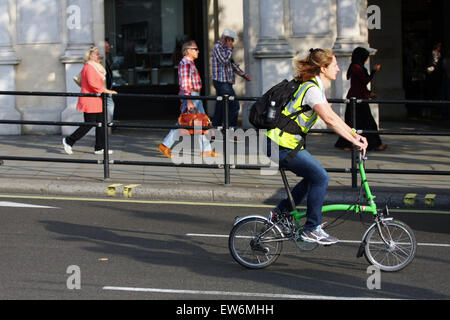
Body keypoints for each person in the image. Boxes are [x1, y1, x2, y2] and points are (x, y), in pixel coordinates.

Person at [267, 48, 368, 245]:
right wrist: (354, 141)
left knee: (312, 177)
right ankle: (311, 228)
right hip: (279, 145)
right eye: (335, 65)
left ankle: (280, 212)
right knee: (321, 177)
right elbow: (329, 119)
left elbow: (335, 118)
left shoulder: (315, 87)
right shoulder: (312, 90)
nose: (339, 70)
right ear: (323, 68)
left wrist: (355, 134)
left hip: (285, 144)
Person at [158, 40, 219, 158]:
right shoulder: (185, 63)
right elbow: (185, 83)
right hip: (191, 96)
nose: (198, 51)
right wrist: (189, 99)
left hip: (194, 96)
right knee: (184, 122)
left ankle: (206, 150)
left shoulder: (189, 63)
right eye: (195, 49)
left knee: (201, 122)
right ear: (188, 51)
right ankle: (165, 145)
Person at [62, 46, 117, 155]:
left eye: (98, 53)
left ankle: (99, 148)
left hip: (97, 100)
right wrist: (106, 90)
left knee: (101, 124)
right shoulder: (89, 67)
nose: (99, 56)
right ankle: (69, 140)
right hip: (90, 100)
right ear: (90, 56)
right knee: (89, 124)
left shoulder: (96, 67)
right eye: (96, 54)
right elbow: (92, 83)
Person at [335, 47, 387, 151]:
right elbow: (364, 81)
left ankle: (346, 144)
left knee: (353, 122)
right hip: (358, 99)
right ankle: (375, 144)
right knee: (368, 123)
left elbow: (360, 85)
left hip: (357, 97)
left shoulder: (356, 67)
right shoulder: (356, 68)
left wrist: (369, 93)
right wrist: (373, 71)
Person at [211, 29, 252, 129]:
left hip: (226, 82)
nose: (233, 42)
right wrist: (229, 49)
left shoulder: (226, 49)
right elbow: (224, 61)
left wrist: (244, 75)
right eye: (231, 40)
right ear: (226, 38)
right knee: (234, 106)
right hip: (222, 82)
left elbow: (232, 65)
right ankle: (230, 129)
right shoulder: (218, 47)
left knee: (221, 106)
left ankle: (216, 129)